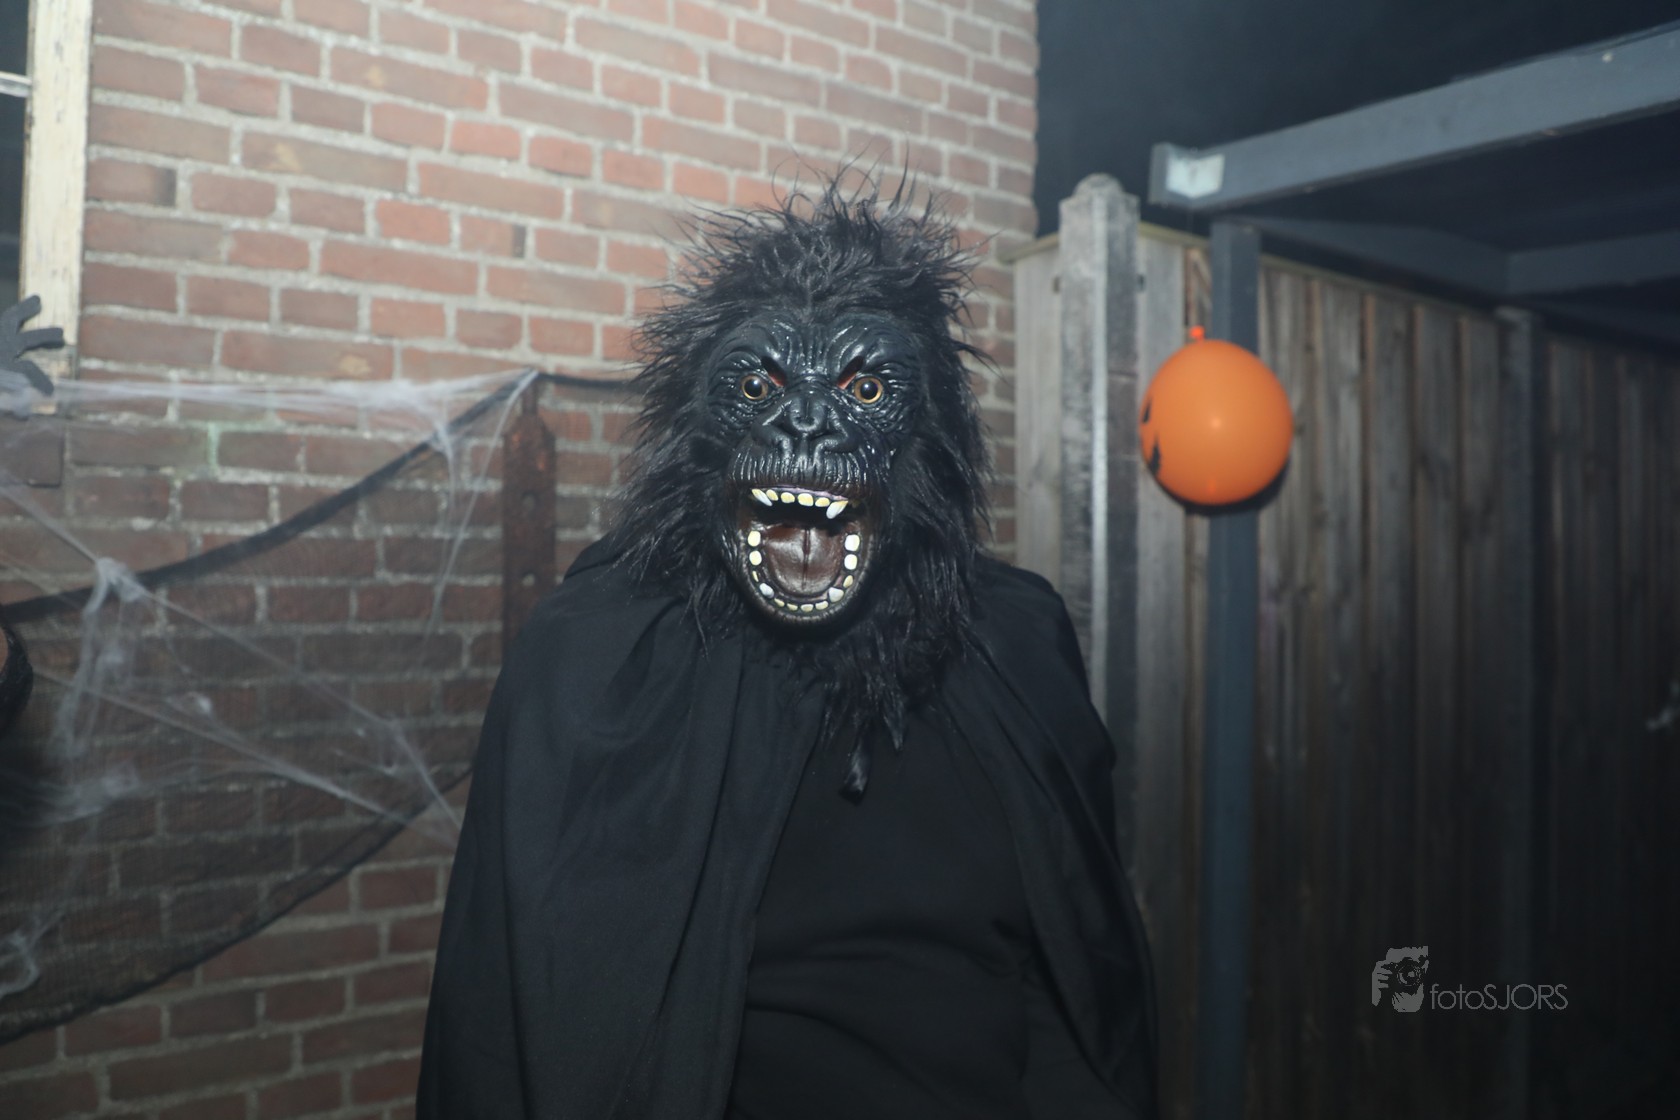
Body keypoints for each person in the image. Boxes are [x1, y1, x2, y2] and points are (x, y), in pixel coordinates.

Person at [418, 178, 1157, 1119]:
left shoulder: (1014, 642)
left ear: (928, 433)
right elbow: (501, 1029)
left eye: (864, 387)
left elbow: (1079, 983)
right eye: (760, 386)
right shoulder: (599, 663)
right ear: (698, 431)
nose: (806, 421)